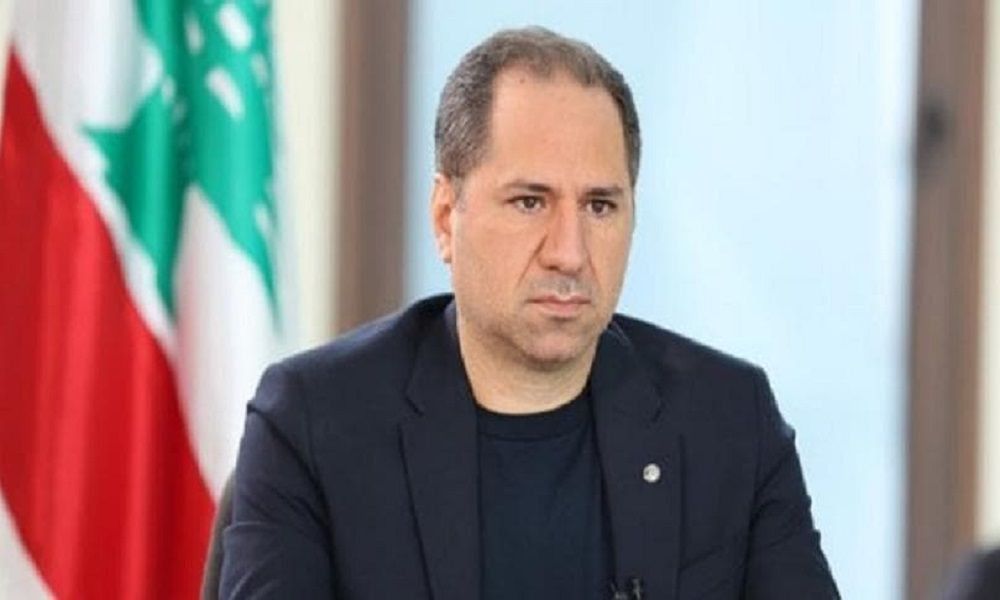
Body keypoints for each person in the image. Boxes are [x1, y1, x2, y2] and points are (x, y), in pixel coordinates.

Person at [219, 26, 839, 599]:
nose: (569, 252)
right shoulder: (315, 423)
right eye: (529, 202)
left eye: (599, 206)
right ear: (446, 217)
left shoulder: (730, 421)